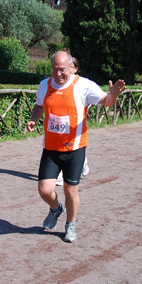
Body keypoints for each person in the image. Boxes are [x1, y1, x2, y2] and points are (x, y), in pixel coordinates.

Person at [26, 51, 126, 243]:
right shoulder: (44, 85)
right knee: (44, 190)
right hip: (51, 148)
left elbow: (106, 101)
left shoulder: (83, 85)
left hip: (75, 149)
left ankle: (70, 224)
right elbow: (39, 105)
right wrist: (33, 120)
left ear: (71, 67)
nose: (58, 74)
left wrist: (113, 96)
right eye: (54, 69)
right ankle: (56, 209)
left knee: (70, 190)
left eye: (62, 69)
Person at [56, 56, 89, 186]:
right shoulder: (57, 83)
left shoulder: (81, 84)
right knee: (58, 148)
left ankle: (81, 163)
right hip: (59, 125)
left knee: (70, 150)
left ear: (75, 69)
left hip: (74, 125)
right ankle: (59, 174)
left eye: (71, 66)